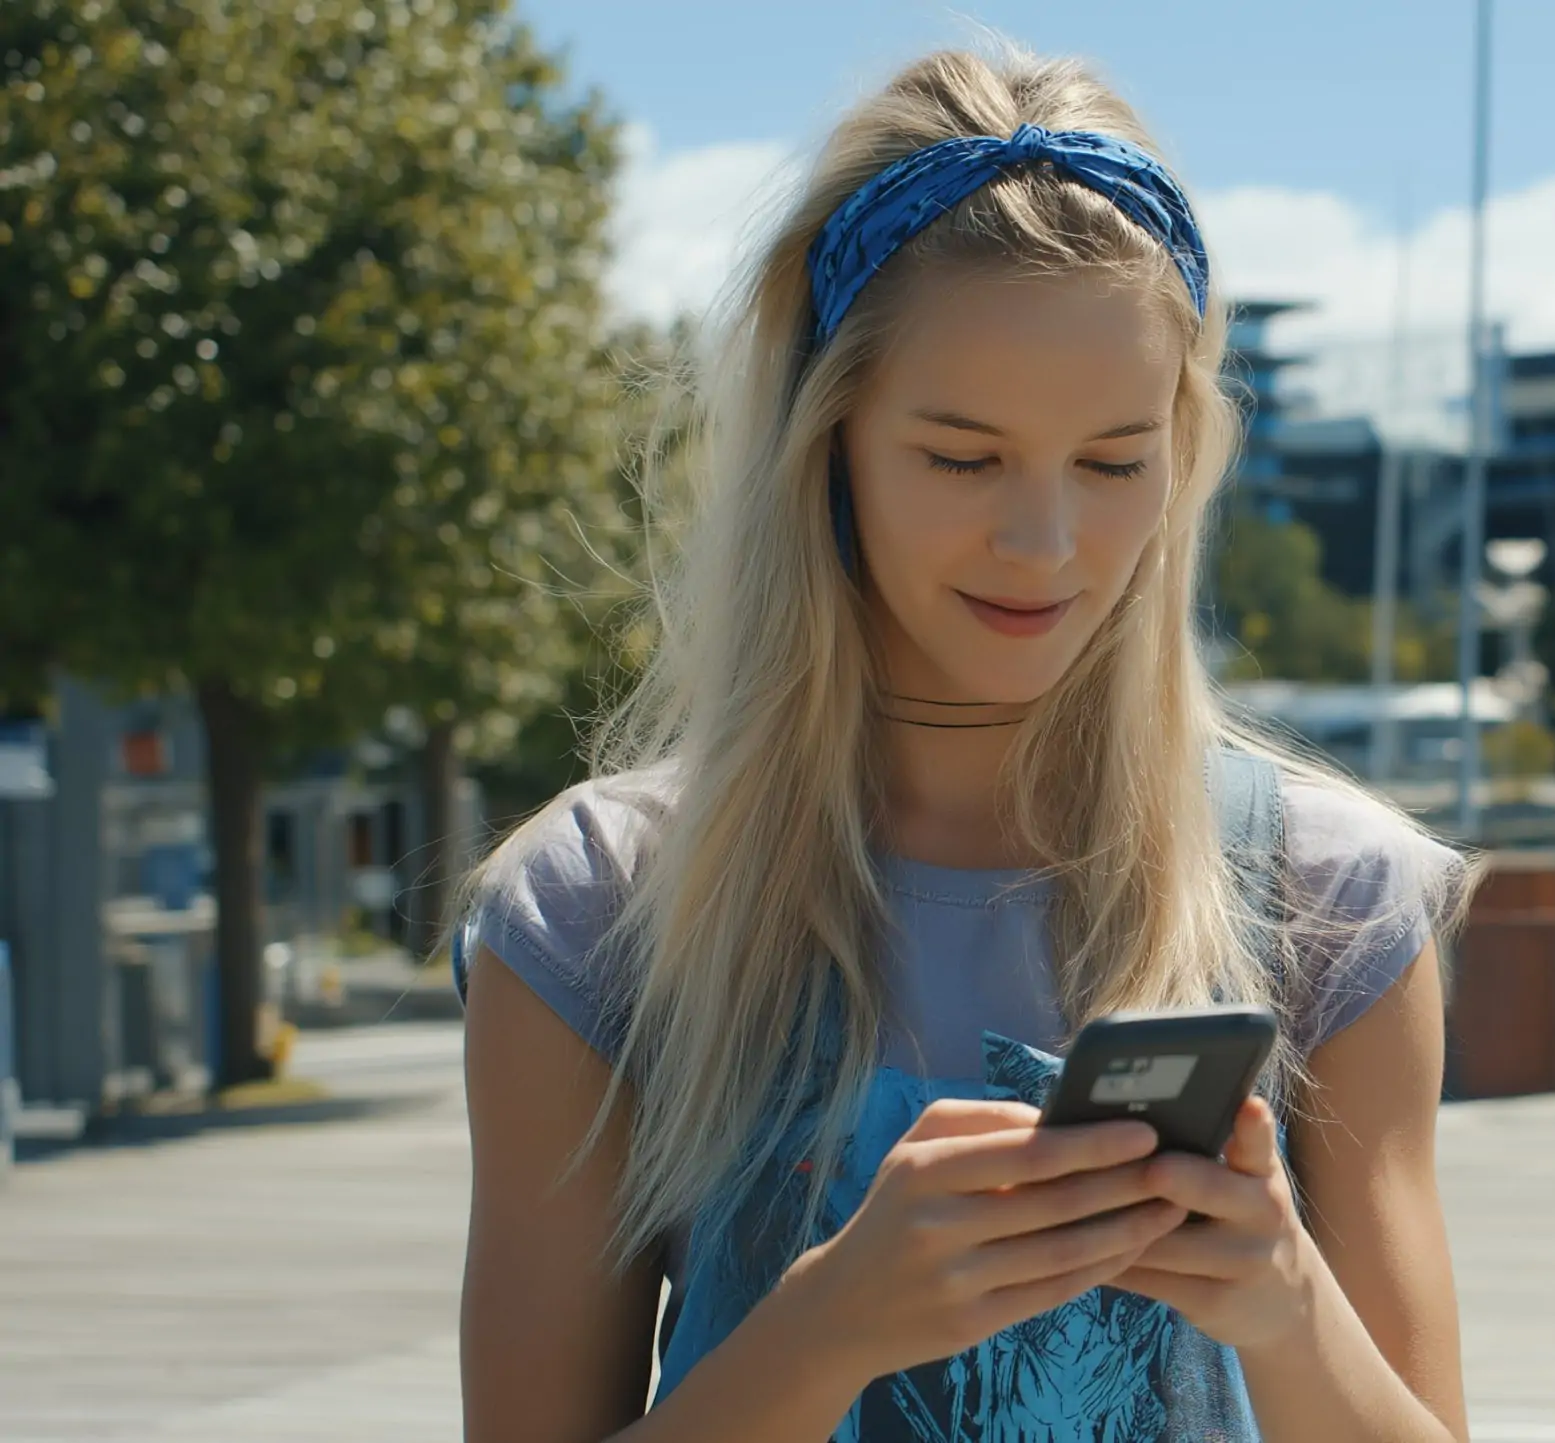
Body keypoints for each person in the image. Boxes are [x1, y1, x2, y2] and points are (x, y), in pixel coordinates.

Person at [454, 44, 1474, 1443]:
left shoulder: (1326, 898)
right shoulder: (595, 910)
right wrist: (831, 1327)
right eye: (961, 456)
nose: (1047, 542)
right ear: (828, 441)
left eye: (1115, 461)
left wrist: (1286, 1296)